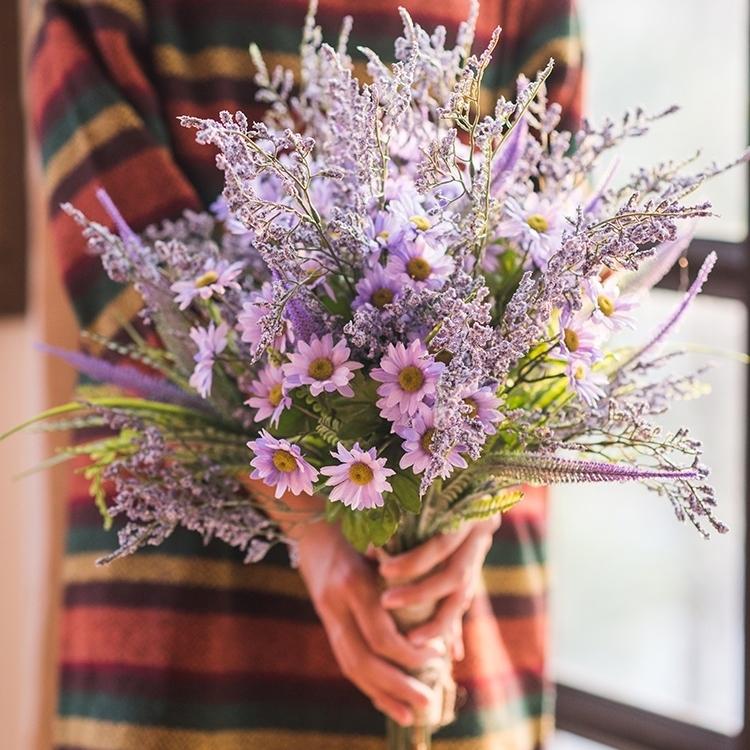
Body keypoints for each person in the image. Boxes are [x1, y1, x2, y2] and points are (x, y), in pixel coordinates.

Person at [29, 1, 583, 747]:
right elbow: (111, 225)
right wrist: (306, 515)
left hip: (442, 591)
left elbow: (561, 251)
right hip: (192, 608)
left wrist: (473, 505)